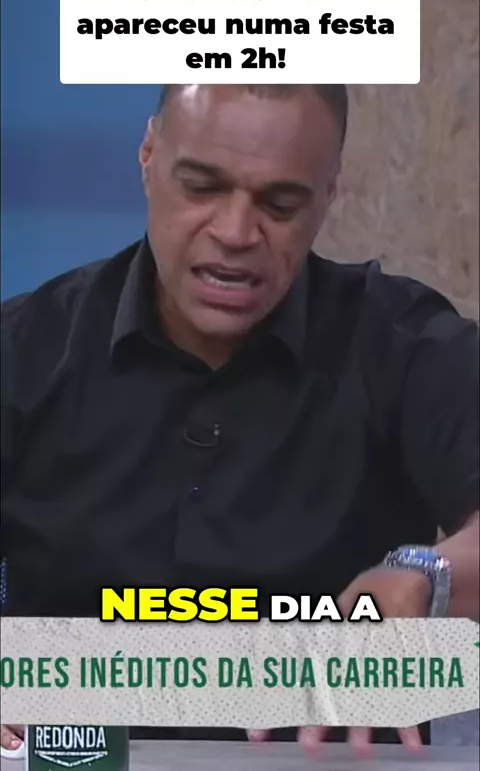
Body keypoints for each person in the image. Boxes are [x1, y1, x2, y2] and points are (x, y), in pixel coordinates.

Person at [1, 84, 479, 760]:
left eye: (280, 205)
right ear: (147, 158)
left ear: (328, 195)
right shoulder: (24, 348)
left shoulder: (403, 345)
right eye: (202, 187)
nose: (234, 233)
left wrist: (428, 574)